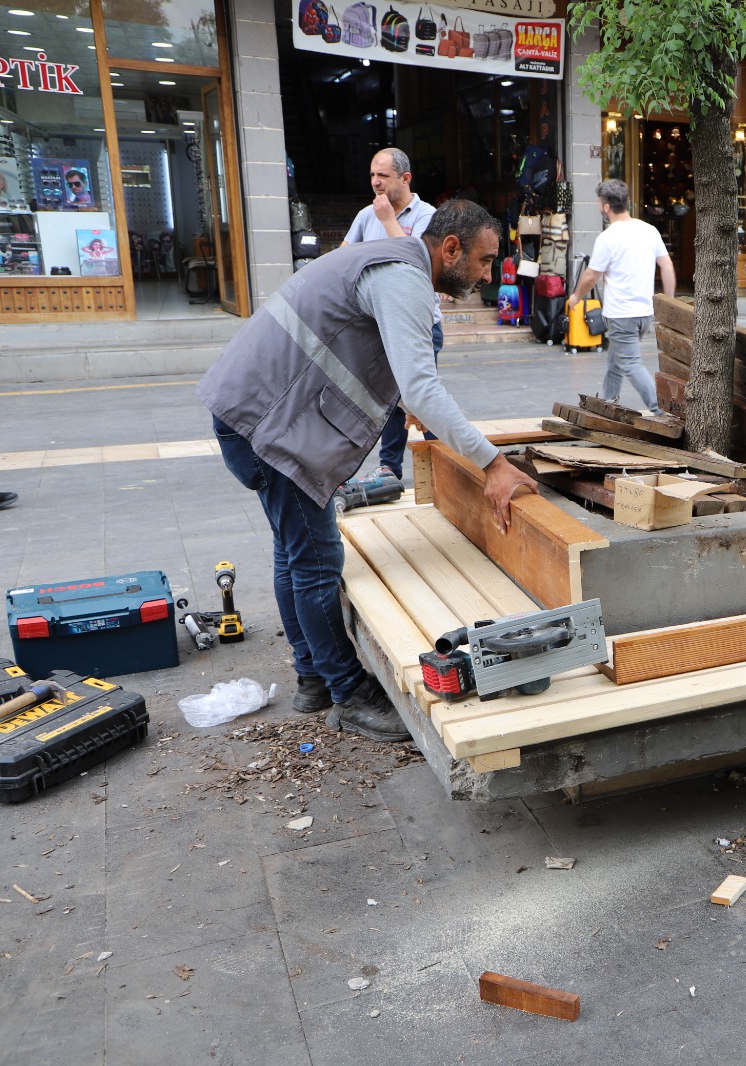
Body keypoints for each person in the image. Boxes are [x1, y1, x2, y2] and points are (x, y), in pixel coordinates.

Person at [197, 200, 537, 742]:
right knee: (317, 560)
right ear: (449, 248)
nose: (485, 275)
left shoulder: (388, 263)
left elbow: (398, 373)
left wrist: (417, 407)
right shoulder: (402, 276)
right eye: (483, 261)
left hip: (255, 415)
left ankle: (311, 679)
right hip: (266, 424)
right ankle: (349, 694)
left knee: (294, 553)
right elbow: (422, 383)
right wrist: (492, 463)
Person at [342, 148, 439, 484]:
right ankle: (391, 467)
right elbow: (343, 259)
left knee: (419, 394)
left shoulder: (428, 216)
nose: (375, 182)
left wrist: (387, 220)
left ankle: (443, 461)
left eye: (382, 175)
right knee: (391, 397)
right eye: (372, 175)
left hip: (417, 325)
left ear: (405, 178)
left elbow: (417, 261)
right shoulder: (365, 216)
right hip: (376, 326)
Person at [567, 179, 676, 412]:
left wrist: (576, 296)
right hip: (644, 314)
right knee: (616, 361)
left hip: (622, 314)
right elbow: (666, 265)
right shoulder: (649, 230)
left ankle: (660, 410)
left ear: (606, 206)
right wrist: (669, 301)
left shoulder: (608, 237)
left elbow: (591, 275)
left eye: (599, 202)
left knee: (630, 363)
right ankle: (607, 406)